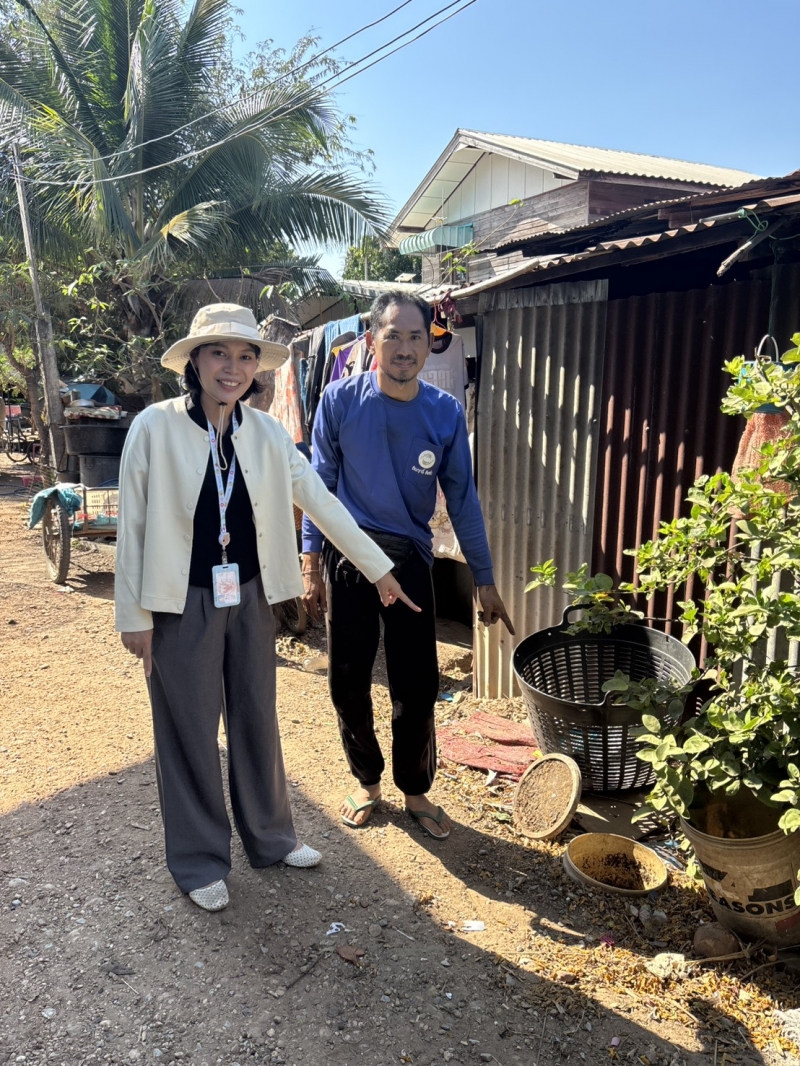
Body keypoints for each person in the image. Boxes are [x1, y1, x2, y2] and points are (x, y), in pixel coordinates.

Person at [115, 303, 417, 912]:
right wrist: (134, 617)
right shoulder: (153, 427)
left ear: (257, 367)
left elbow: (322, 501)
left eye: (246, 356)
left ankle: (272, 838)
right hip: (179, 603)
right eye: (219, 353)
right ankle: (199, 860)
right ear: (194, 361)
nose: (233, 367)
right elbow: (134, 526)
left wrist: (378, 569)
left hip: (249, 596)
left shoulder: (267, 433)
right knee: (189, 730)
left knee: (257, 717)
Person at [302, 291, 514, 841]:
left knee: (416, 685)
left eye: (415, 336)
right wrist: (310, 563)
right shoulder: (339, 399)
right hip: (349, 557)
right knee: (347, 681)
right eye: (392, 335)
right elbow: (319, 487)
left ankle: (415, 790)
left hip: (411, 559)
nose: (403, 347)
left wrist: (484, 578)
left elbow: (462, 498)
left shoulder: (443, 412)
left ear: (429, 343)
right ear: (371, 340)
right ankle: (367, 782)